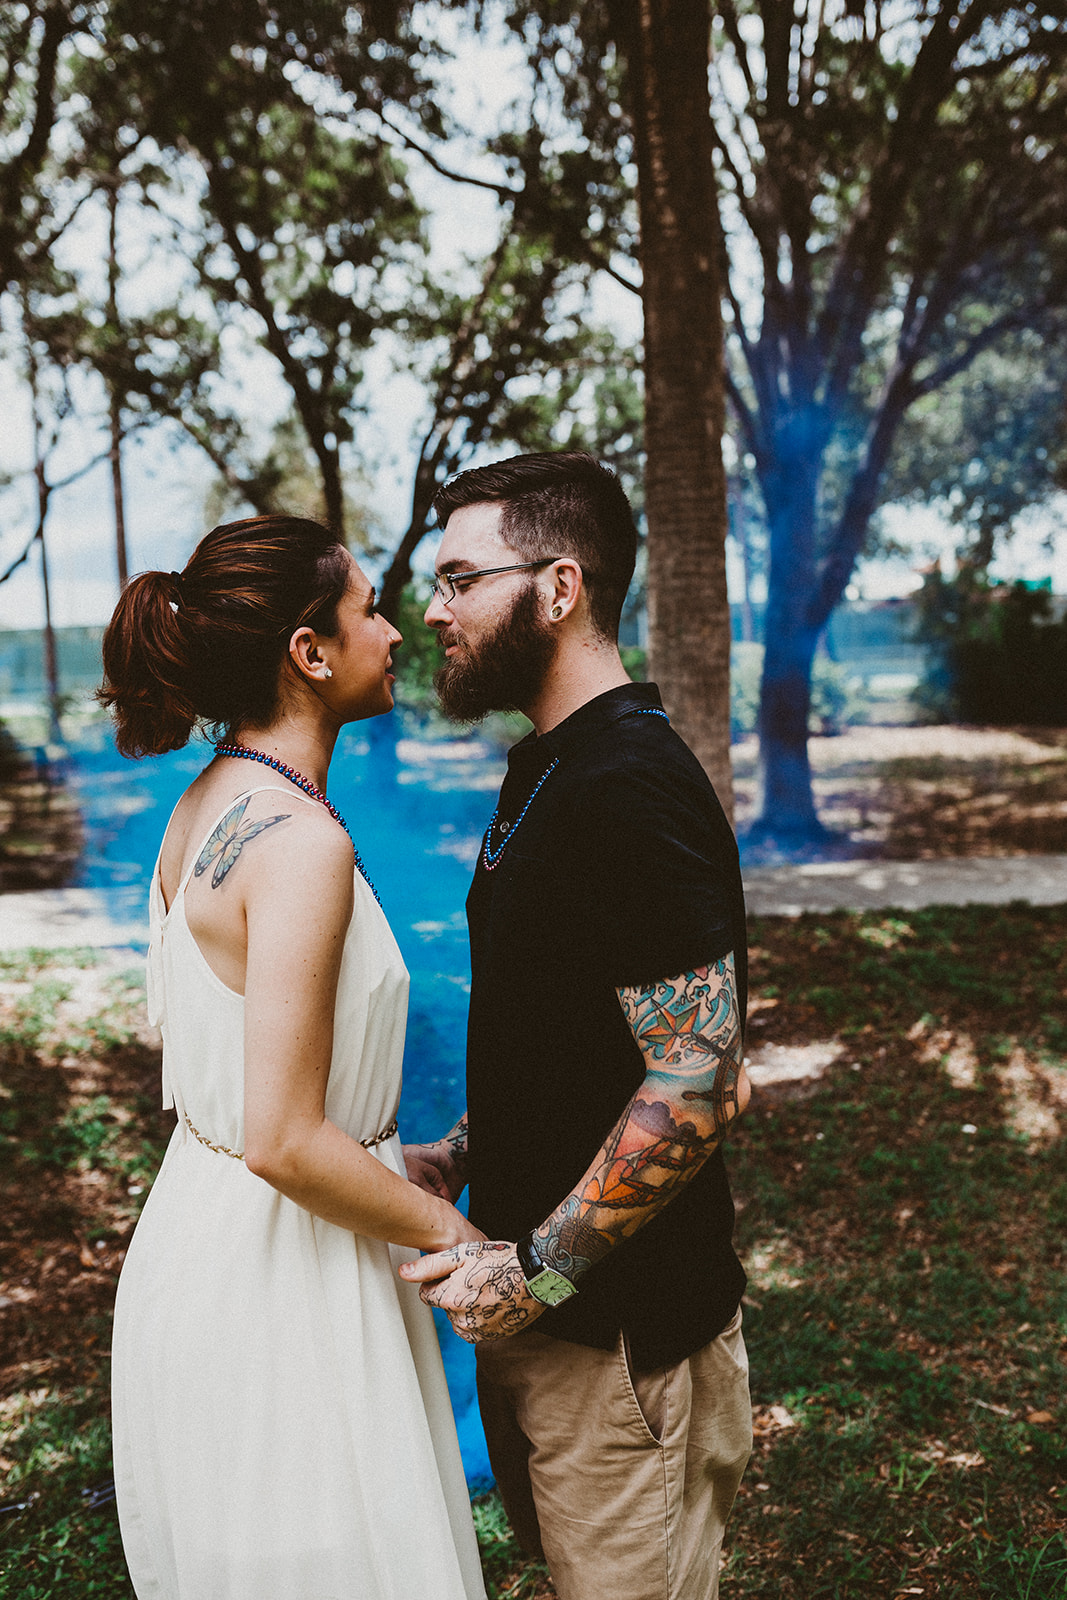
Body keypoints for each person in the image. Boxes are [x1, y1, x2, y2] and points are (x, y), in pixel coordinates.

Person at [99, 514, 486, 1600]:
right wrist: (455, 1238)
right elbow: (281, 1134)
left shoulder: (203, 807)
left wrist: (388, 1162)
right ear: (309, 653)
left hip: (200, 1242)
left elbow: (238, 1083)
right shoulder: (300, 842)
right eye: (370, 608)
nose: (398, 630)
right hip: (285, 1282)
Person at [400, 454, 752, 1600]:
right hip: (544, 1323)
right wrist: (466, 1149)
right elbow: (568, 1030)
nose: (433, 608)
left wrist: (536, 1272)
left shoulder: (628, 782)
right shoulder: (546, 770)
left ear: (557, 589)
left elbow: (695, 1081)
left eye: (459, 579)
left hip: (618, 1344)